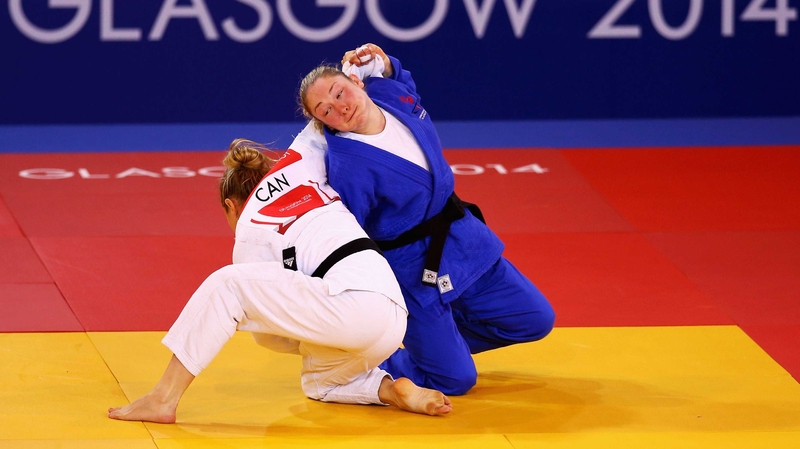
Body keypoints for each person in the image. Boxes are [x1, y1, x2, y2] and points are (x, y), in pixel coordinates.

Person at [107, 139, 452, 423]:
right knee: (319, 384)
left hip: (351, 307)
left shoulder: (249, 233)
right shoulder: (305, 173)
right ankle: (391, 390)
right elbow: (321, 127)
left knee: (228, 285)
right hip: (391, 315)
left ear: (231, 205)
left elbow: (269, 337)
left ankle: (163, 398)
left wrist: (304, 332)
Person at [291, 44, 556, 396]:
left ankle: (439, 349)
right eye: (327, 111)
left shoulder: (389, 94)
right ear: (323, 123)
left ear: (356, 83)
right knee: (455, 380)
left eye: (340, 93)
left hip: (464, 240)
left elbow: (400, 79)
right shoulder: (347, 167)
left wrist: (384, 63)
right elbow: (349, 233)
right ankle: (379, 363)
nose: (341, 107)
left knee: (535, 319)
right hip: (413, 270)